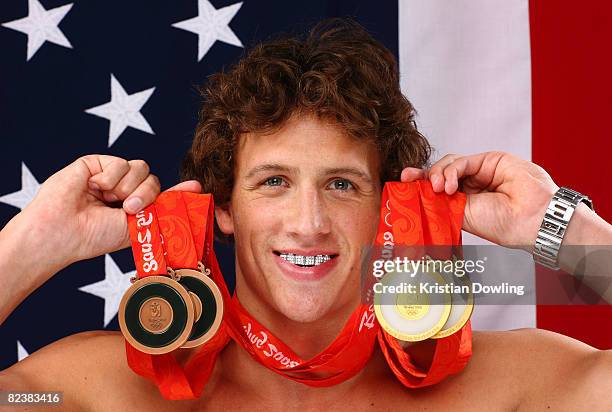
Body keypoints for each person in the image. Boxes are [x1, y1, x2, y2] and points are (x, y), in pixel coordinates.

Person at [1, 19, 611, 411]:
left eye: (343, 184)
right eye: (273, 182)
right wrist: (33, 242)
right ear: (222, 208)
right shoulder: (101, 393)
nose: (309, 221)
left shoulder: (509, 390)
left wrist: (562, 227)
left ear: (387, 209)